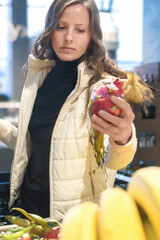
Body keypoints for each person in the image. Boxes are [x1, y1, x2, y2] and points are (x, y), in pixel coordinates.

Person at [0, 0, 153, 220]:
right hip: (30, 208)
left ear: (92, 36)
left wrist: (124, 138)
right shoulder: (38, 79)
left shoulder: (102, 88)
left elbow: (114, 160)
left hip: (77, 217)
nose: (68, 37)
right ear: (50, 29)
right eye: (61, 27)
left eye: (80, 30)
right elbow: (33, 143)